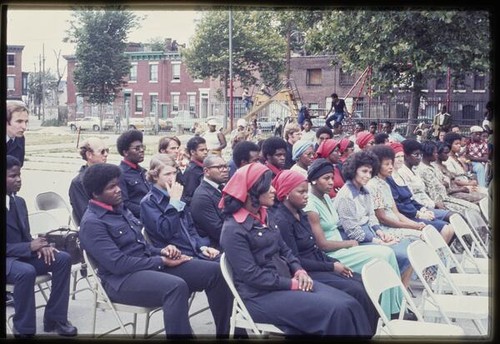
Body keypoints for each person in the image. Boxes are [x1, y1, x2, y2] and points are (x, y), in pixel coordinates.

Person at [79, 163, 232, 339]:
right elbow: (117, 264)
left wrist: (162, 252)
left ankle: (227, 334)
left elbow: (140, 247)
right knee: (175, 287)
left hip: (146, 265)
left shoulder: (119, 209)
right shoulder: (92, 223)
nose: (119, 190)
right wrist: (160, 261)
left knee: (216, 271)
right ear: (95, 193)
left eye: (118, 184)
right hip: (120, 281)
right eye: (111, 187)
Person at [219, 162, 373, 336]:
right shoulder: (233, 230)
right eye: (267, 186)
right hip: (260, 296)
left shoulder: (264, 216)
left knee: (349, 302)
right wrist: (292, 283)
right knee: (338, 310)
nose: (273, 190)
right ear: (252, 191)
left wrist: (299, 270)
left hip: (284, 282)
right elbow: (252, 276)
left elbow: (285, 250)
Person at [271, 170, 378, 335]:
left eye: (306, 191)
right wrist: (331, 267)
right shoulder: (281, 220)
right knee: (355, 290)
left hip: (318, 263)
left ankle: (370, 330)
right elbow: (295, 260)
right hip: (306, 272)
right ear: (285, 193)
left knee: (362, 282)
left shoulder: (301, 213)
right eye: (301, 192)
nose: (306, 196)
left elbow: (314, 248)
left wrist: (333, 263)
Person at [303, 158, 403, 317]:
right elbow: (322, 244)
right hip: (331, 254)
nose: (331, 182)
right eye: (326, 178)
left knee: (387, 253)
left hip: (343, 246)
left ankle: (394, 307)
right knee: (384, 254)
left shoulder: (326, 197)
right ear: (313, 180)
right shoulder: (311, 205)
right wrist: (349, 243)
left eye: (331, 177)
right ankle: (388, 312)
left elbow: (370, 216)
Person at [7, 155, 77, 338]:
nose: (18, 179)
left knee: (61, 258)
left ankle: (55, 318)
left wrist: (40, 247)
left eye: (19, 175)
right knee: (26, 271)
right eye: (12, 176)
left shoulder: (19, 202)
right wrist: (29, 247)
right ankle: (24, 328)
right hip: (9, 261)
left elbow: (25, 237)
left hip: (20, 256)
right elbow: (25, 244)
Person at [332, 151, 414, 286]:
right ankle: (395, 292)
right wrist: (379, 242)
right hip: (353, 239)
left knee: (408, 248)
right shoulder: (346, 196)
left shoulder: (365, 190)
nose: (367, 176)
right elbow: (353, 232)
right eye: (364, 171)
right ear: (354, 170)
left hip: (369, 231)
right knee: (400, 254)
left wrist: (380, 232)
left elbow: (371, 215)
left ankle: (400, 293)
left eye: (370, 172)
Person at [141, 154, 220, 260]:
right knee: (217, 270)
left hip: (193, 249)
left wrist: (202, 247)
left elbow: (190, 227)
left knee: (229, 262)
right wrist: (173, 203)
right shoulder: (149, 202)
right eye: (167, 174)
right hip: (174, 256)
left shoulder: (176, 195)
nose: (172, 178)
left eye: (174, 173)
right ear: (155, 176)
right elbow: (166, 233)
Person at [385, 142, 455, 244]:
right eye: (397, 157)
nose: (400, 159)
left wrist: (422, 209)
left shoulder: (399, 175)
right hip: (407, 215)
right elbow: (400, 206)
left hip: (415, 210)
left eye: (401, 156)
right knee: (445, 229)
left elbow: (411, 198)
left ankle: (440, 256)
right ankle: (435, 256)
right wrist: (419, 214)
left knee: (450, 228)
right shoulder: (390, 179)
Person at [366, 145, 425, 240]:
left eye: (391, 163)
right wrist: (412, 226)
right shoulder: (373, 186)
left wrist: (415, 224)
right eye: (386, 164)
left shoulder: (386, 183)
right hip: (386, 230)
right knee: (423, 237)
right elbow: (382, 219)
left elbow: (396, 213)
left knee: (427, 231)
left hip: (397, 224)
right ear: (377, 165)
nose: (391, 167)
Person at [417, 140, 481, 213]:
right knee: (473, 210)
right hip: (441, 201)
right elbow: (435, 190)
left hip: (446, 197)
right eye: (434, 152)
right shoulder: (424, 169)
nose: (436, 154)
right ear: (428, 154)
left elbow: (445, 181)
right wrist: (443, 183)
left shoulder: (432, 166)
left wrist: (444, 183)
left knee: (475, 207)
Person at [191, 155, 229, 249]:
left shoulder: (222, 188)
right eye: (219, 167)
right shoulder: (202, 196)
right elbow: (217, 230)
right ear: (206, 171)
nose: (225, 170)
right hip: (215, 247)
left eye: (225, 166)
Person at [69, 137, 109, 226]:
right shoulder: (78, 183)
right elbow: (86, 216)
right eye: (102, 151)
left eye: (107, 150)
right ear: (89, 155)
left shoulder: (109, 176)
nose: (106, 154)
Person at [116, 129, 151, 219]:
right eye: (137, 148)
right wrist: (149, 211)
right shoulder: (120, 174)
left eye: (142, 147)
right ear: (125, 152)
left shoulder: (143, 171)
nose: (142, 150)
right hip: (138, 219)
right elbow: (124, 204)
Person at [180, 136, 208, 206]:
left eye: (206, 149)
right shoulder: (192, 171)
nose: (205, 152)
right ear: (192, 152)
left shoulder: (203, 166)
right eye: (202, 150)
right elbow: (189, 196)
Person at [6, 100, 29, 166]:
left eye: (26, 122)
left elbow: (18, 167)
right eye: (19, 121)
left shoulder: (20, 139)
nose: (24, 127)